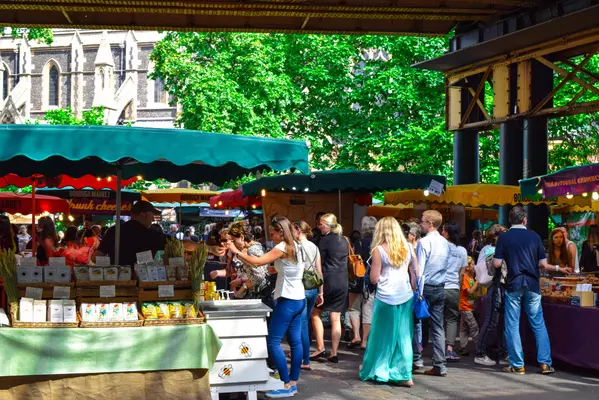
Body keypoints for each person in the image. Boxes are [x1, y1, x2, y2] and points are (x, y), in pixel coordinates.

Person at [226, 217, 306, 398]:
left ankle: (286, 384)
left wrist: (235, 252)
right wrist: (275, 270)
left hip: (287, 299)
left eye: (273, 233)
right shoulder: (297, 246)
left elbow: (257, 262)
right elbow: (289, 267)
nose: (271, 236)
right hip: (299, 298)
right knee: (295, 341)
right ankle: (293, 382)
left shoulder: (282, 247)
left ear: (280, 231)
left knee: (273, 342)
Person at [493, 206, 571, 375]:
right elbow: (542, 264)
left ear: (510, 220)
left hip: (514, 284)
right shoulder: (534, 236)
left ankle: (518, 365)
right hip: (533, 284)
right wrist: (558, 267)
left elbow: (497, 264)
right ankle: (545, 363)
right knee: (538, 323)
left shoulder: (504, 238)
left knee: (512, 324)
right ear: (524, 220)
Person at [359, 217, 418, 387]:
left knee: (381, 335)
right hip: (406, 295)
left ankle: (380, 370)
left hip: (386, 296)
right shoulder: (408, 246)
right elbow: (416, 273)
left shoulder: (378, 250)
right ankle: (405, 374)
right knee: (404, 336)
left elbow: (374, 278)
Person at [414, 210, 450, 376]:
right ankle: (440, 364)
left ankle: (416, 359)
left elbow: (420, 270)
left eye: (422, 221)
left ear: (429, 223)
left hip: (426, 287)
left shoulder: (424, 242)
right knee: (438, 327)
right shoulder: (444, 242)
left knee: (416, 323)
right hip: (440, 286)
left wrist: (418, 293)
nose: (420, 224)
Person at [311, 213, 348, 363]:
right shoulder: (344, 240)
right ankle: (334, 352)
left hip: (328, 280)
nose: (319, 227)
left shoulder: (324, 241)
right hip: (342, 281)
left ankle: (320, 348)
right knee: (336, 317)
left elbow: (318, 264)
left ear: (328, 225)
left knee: (315, 313)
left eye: (321, 224)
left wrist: (319, 288)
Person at [292, 220, 324, 370]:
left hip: (301, 287)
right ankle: (304, 357)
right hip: (313, 289)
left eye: (292, 229)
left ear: (298, 230)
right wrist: (321, 291)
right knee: (305, 323)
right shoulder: (314, 247)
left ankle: (305, 360)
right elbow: (319, 271)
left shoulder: (297, 247)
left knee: (302, 324)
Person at [94, 201, 168, 266]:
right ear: (142, 215)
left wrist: (112, 265)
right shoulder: (151, 235)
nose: (153, 219)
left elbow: (96, 257)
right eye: (152, 216)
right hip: (142, 278)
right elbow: (175, 244)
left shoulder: (114, 231)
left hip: (117, 277)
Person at [474, 224, 508, 366]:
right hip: (494, 287)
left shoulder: (487, 249)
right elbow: (494, 267)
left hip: (496, 287)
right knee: (491, 321)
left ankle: (498, 350)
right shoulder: (490, 250)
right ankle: (480, 352)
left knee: (497, 321)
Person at [442, 221, 468, 362]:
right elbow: (462, 273)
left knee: (438, 318)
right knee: (452, 319)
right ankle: (449, 349)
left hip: (439, 286)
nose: (441, 232)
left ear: (447, 233)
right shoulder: (462, 251)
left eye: (443, 230)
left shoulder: (442, 247)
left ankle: (438, 349)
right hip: (454, 288)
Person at [227, 221, 270, 300]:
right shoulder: (257, 245)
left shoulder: (252, 250)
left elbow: (259, 277)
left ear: (242, 237)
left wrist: (242, 288)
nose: (233, 243)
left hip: (261, 294)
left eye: (234, 240)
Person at [355, 216, 377, 351]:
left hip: (361, 279)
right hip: (375, 281)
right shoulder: (379, 243)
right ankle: (370, 339)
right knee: (372, 310)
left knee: (364, 310)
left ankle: (363, 339)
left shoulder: (360, 243)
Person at [347, 229, 364, 348]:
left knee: (353, 308)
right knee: (369, 310)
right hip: (371, 281)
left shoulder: (357, 245)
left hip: (356, 279)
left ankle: (357, 335)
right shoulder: (376, 244)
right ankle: (366, 340)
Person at [458, 256, 479, 355]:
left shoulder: (471, 278)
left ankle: (463, 347)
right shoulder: (465, 278)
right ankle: (480, 346)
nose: (474, 266)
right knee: (474, 327)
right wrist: (477, 282)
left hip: (468, 307)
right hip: (465, 307)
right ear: (467, 267)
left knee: (464, 328)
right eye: (473, 265)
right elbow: (470, 291)